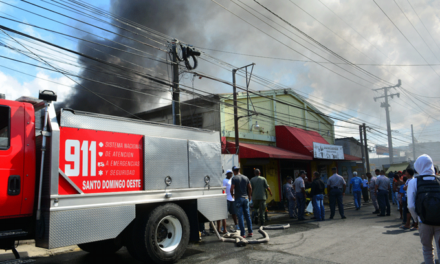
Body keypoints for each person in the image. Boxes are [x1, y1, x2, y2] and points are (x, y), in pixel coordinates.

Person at [407, 154, 440, 264]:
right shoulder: (439, 180)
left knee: (427, 249)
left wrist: (416, 220)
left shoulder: (414, 182)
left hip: (423, 221)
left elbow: (410, 206)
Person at [230, 165, 253, 238]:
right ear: (239, 170)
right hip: (245, 198)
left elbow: (231, 189)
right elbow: (250, 188)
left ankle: (243, 234)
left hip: (238, 199)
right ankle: (250, 232)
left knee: (240, 217)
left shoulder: (234, 178)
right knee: (247, 215)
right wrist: (249, 196)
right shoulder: (245, 177)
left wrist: (232, 195)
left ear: (234, 171)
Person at [217, 169, 238, 234]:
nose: (230, 174)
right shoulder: (224, 181)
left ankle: (236, 225)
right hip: (227, 199)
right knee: (225, 215)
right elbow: (223, 190)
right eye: (229, 173)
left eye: (231, 173)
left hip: (232, 199)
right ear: (226, 174)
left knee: (234, 213)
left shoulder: (233, 180)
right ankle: (223, 228)